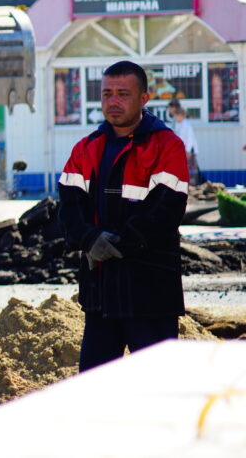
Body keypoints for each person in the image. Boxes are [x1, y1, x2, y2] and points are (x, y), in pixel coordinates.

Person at [58, 60, 189, 372]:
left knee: (160, 390)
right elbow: (68, 208)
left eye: (122, 94)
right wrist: (89, 240)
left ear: (144, 98)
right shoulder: (85, 148)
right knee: (94, 388)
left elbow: (165, 211)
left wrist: (110, 246)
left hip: (150, 293)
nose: (112, 101)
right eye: (106, 94)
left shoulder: (166, 145)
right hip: (101, 296)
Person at [168, 99, 202, 185]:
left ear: (182, 115)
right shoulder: (177, 123)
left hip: (189, 149)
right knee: (184, 167)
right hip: (181, 149)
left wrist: (188, 150)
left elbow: (189, 138)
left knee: (191, 167)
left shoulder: (186, 124)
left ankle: (193, 184)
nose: (175, 118)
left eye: (177, 116)